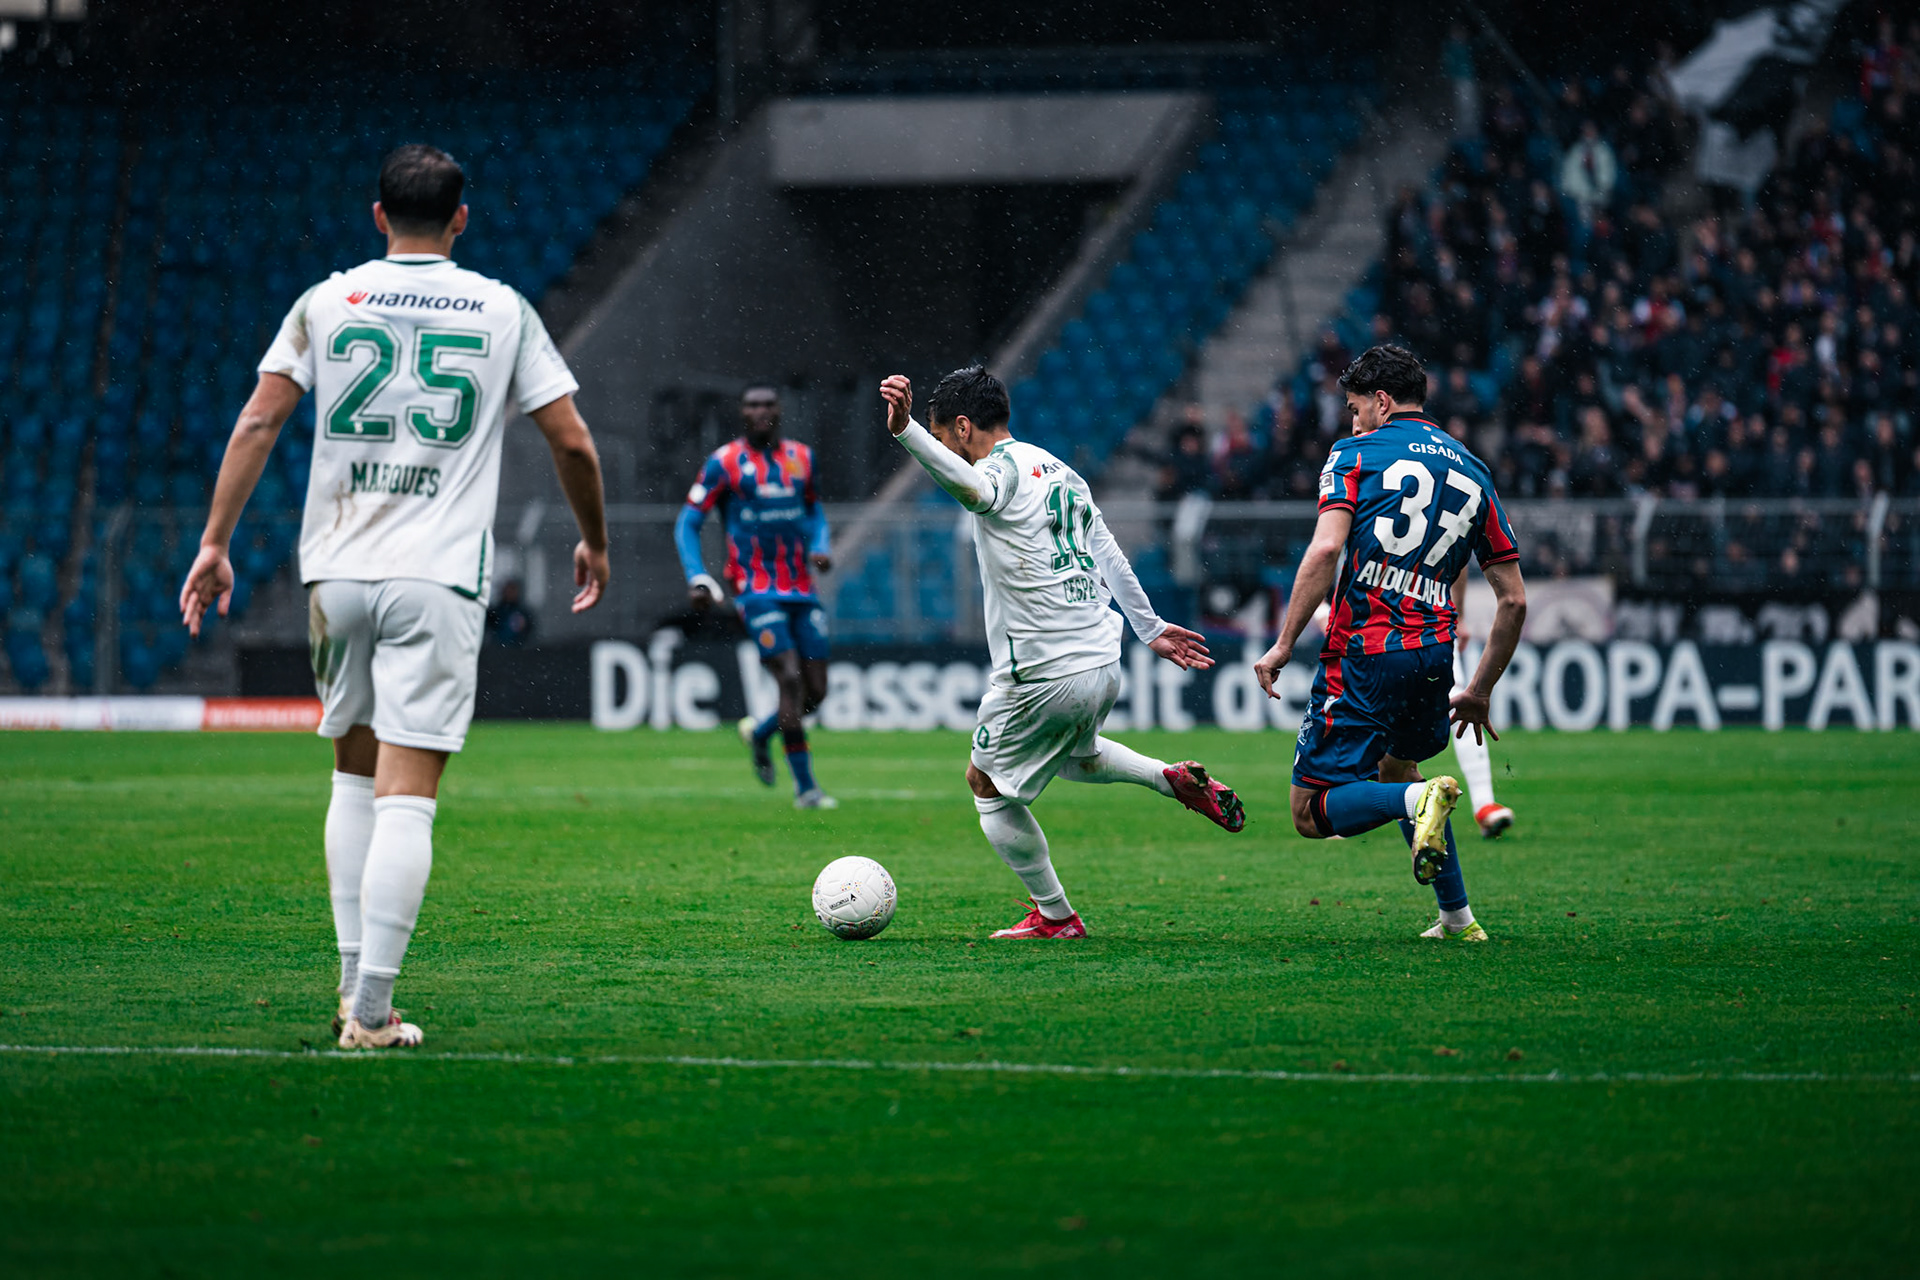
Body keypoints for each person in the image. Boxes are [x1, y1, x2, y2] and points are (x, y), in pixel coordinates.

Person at [178, 144, 611, 1048]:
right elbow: (571, 443)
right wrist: (594, 542)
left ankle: (349, 990)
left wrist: (215, 542)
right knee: (409, 792)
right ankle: (371, 1012)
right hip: (438, 577)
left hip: (337, 572)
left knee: (353, 771)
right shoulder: (502, 309)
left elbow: (259, 418)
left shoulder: (326, 301)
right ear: (462, 218)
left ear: (377, 215)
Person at [881, 366, 1245, 939]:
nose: (950, 452)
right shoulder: (1062, 472)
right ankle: (1167, 777)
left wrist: (906, 432)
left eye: (945, 439)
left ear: (961, 426)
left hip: (1043, 670)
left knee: (985, 784)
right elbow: (1109, 553)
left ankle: (1055, 915)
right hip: (1102, 659)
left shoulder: (995, 471)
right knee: (1073, 753)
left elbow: (973, 490)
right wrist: (1149, 630)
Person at [1254, 345, 1525, 942]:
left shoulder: (1356, 453)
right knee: (1398, 764)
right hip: (1433, 655)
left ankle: (1416, 801)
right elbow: (1514, 600)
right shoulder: (1474, 470)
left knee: (1309, 812)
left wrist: (1281, 644)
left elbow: (1326, 550)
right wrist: (1478, 689)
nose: (1351, 422)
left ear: (1381, 401)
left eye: (1355, 408)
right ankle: (1457, 918)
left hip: (1364, 653)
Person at [675, 384, 836, 809]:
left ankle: (762, 733)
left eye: (767, 404)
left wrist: (821, 543)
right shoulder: (724, 463)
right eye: (751, 405)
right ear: (742, 413)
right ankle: (807, 790)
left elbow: (815, 509)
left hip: (801, 587)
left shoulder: (802, 458)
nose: (760, 411)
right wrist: (697, 576)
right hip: (755, 590)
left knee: (816, 691)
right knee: (790, 679)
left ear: (779, 410)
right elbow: (687, 523)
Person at [1450, 567, 1515, 839]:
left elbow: (1457, 553)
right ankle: (1335, 802)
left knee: (1454, 700)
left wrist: (1458, 615)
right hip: (1375, 617)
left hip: (1429, 617)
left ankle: (1484, 803)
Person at [486, 578, 535, 647]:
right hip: (497, 650)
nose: (510, 593)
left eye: (512, 590)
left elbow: (528, 632)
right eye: (508, 590)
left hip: (516, 651)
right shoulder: (496, 612)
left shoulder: (523, 613)